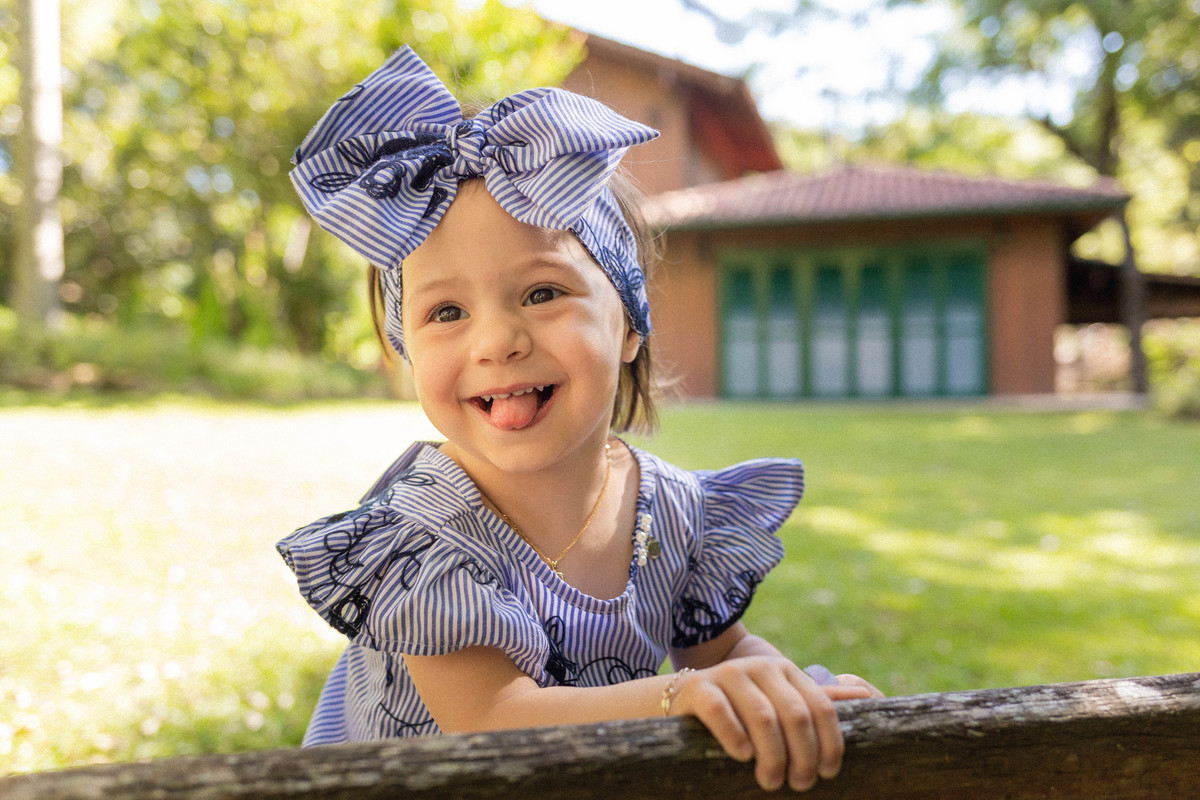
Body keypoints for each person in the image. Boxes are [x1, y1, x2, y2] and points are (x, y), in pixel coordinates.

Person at [277, 46, 882, 793]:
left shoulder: (673, 513)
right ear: (406, 346)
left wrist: (780, 689)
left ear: (629, 323)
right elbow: (497, 716)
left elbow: (721, 655)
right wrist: (679, 697)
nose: (497, 340)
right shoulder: (420, 540)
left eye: (541, 293)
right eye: (447, 312)